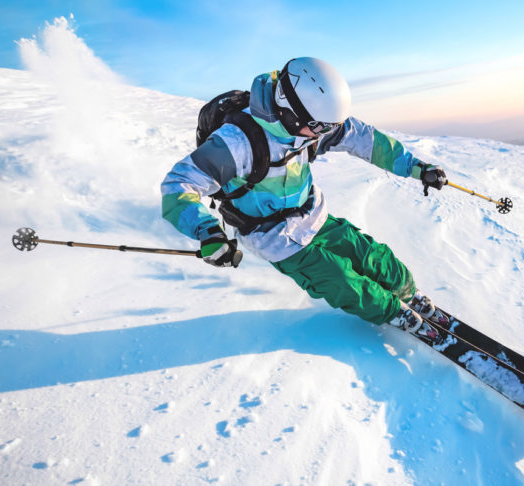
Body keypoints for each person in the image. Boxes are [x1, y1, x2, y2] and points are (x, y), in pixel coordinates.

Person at [161, 57, 447, 336]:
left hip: (312, 214)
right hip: (274, 237)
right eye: (322, 126)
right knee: (342, 281)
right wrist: (208, 232)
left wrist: (416, 168)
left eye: (331, 125)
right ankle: (391, 311)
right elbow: (179, 185)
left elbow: (365, 139)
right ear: (289, 111)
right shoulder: (238, 143)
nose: (327, 133)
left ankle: (408, 292)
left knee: (373, 257)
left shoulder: (312, 125)